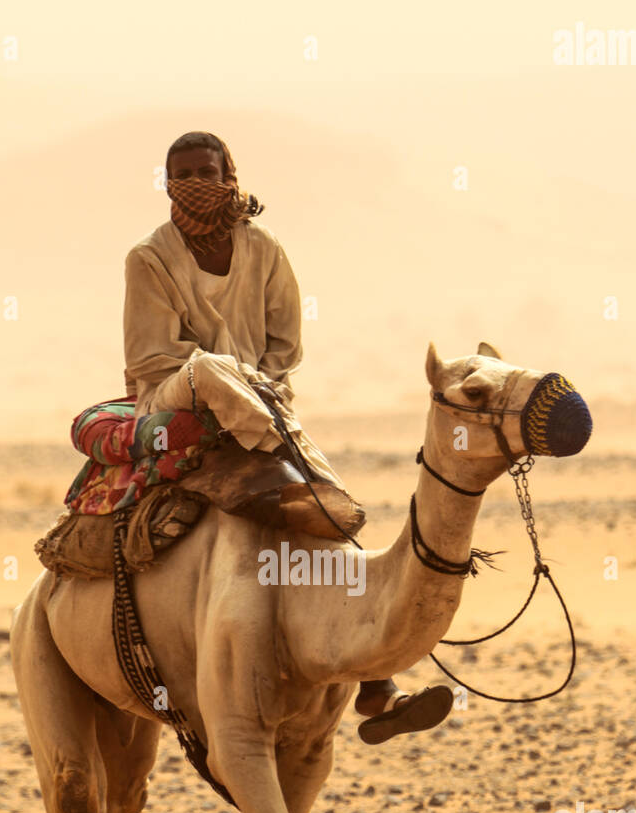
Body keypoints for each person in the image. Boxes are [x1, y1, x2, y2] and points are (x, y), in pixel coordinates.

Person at [122, 129, 453, 744]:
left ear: (229, 172)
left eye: (207, 171)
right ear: (167, 183)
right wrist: (240, 389)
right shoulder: (149, 258)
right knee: (208, 367)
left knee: (329, 518)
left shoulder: (264, 247)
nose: (196, 184)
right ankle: (284, 452)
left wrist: (259, 387)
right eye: (182, 174)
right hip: (175, 397)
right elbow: (152, 357)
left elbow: (287, 346)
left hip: (262, 400)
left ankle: (377, 680)